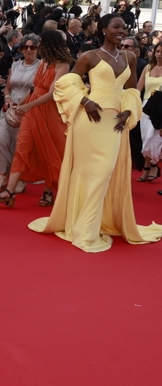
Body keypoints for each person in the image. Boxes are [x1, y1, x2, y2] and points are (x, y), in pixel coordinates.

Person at [29, 13, 162, 252]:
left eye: (124, 27)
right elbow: (66, 83)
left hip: (115, 124)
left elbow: (132, 91)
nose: (122, 30)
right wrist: (83, 100)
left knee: (105, 171)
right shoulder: (89, 56)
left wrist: (129, 111)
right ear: (103, 30)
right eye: (116, 27)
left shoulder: (130, 56)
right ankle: (86, 228)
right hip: (89, 121)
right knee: (89, 173)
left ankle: (91, 223)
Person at [0, 30, 71, 207]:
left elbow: (52, 94)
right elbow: (34, 89)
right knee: (23, 147)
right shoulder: (43, 63)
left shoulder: (62, 65)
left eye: (42, 43)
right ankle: (10, 191)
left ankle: (49, 190)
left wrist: (28, 105)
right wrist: (23, 105)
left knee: (48, 151)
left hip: (49, 112)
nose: (39, 46)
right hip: (33, 109)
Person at [0, 34, 41, 192]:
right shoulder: (15, 65)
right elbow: (8, 86)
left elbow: (37, 89)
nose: (29, 50)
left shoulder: (42, 66)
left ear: (38, 49)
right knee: (0, 140)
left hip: (28, 107)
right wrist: (7, 98)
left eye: (32, 47)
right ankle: (1, 175)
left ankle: (17, 177)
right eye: (25, 47)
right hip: (9, 107)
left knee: (19, 144)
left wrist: (23, 103)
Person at [135, 43, 162, 180]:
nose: (159, 54)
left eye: (161, 52)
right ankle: (149, 167)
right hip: (146, 107)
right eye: (157, 51)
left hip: (160, 108)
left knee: (155, 138)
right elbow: (139, 87)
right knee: (146, 138)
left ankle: (152, 166)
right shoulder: (148, 67)